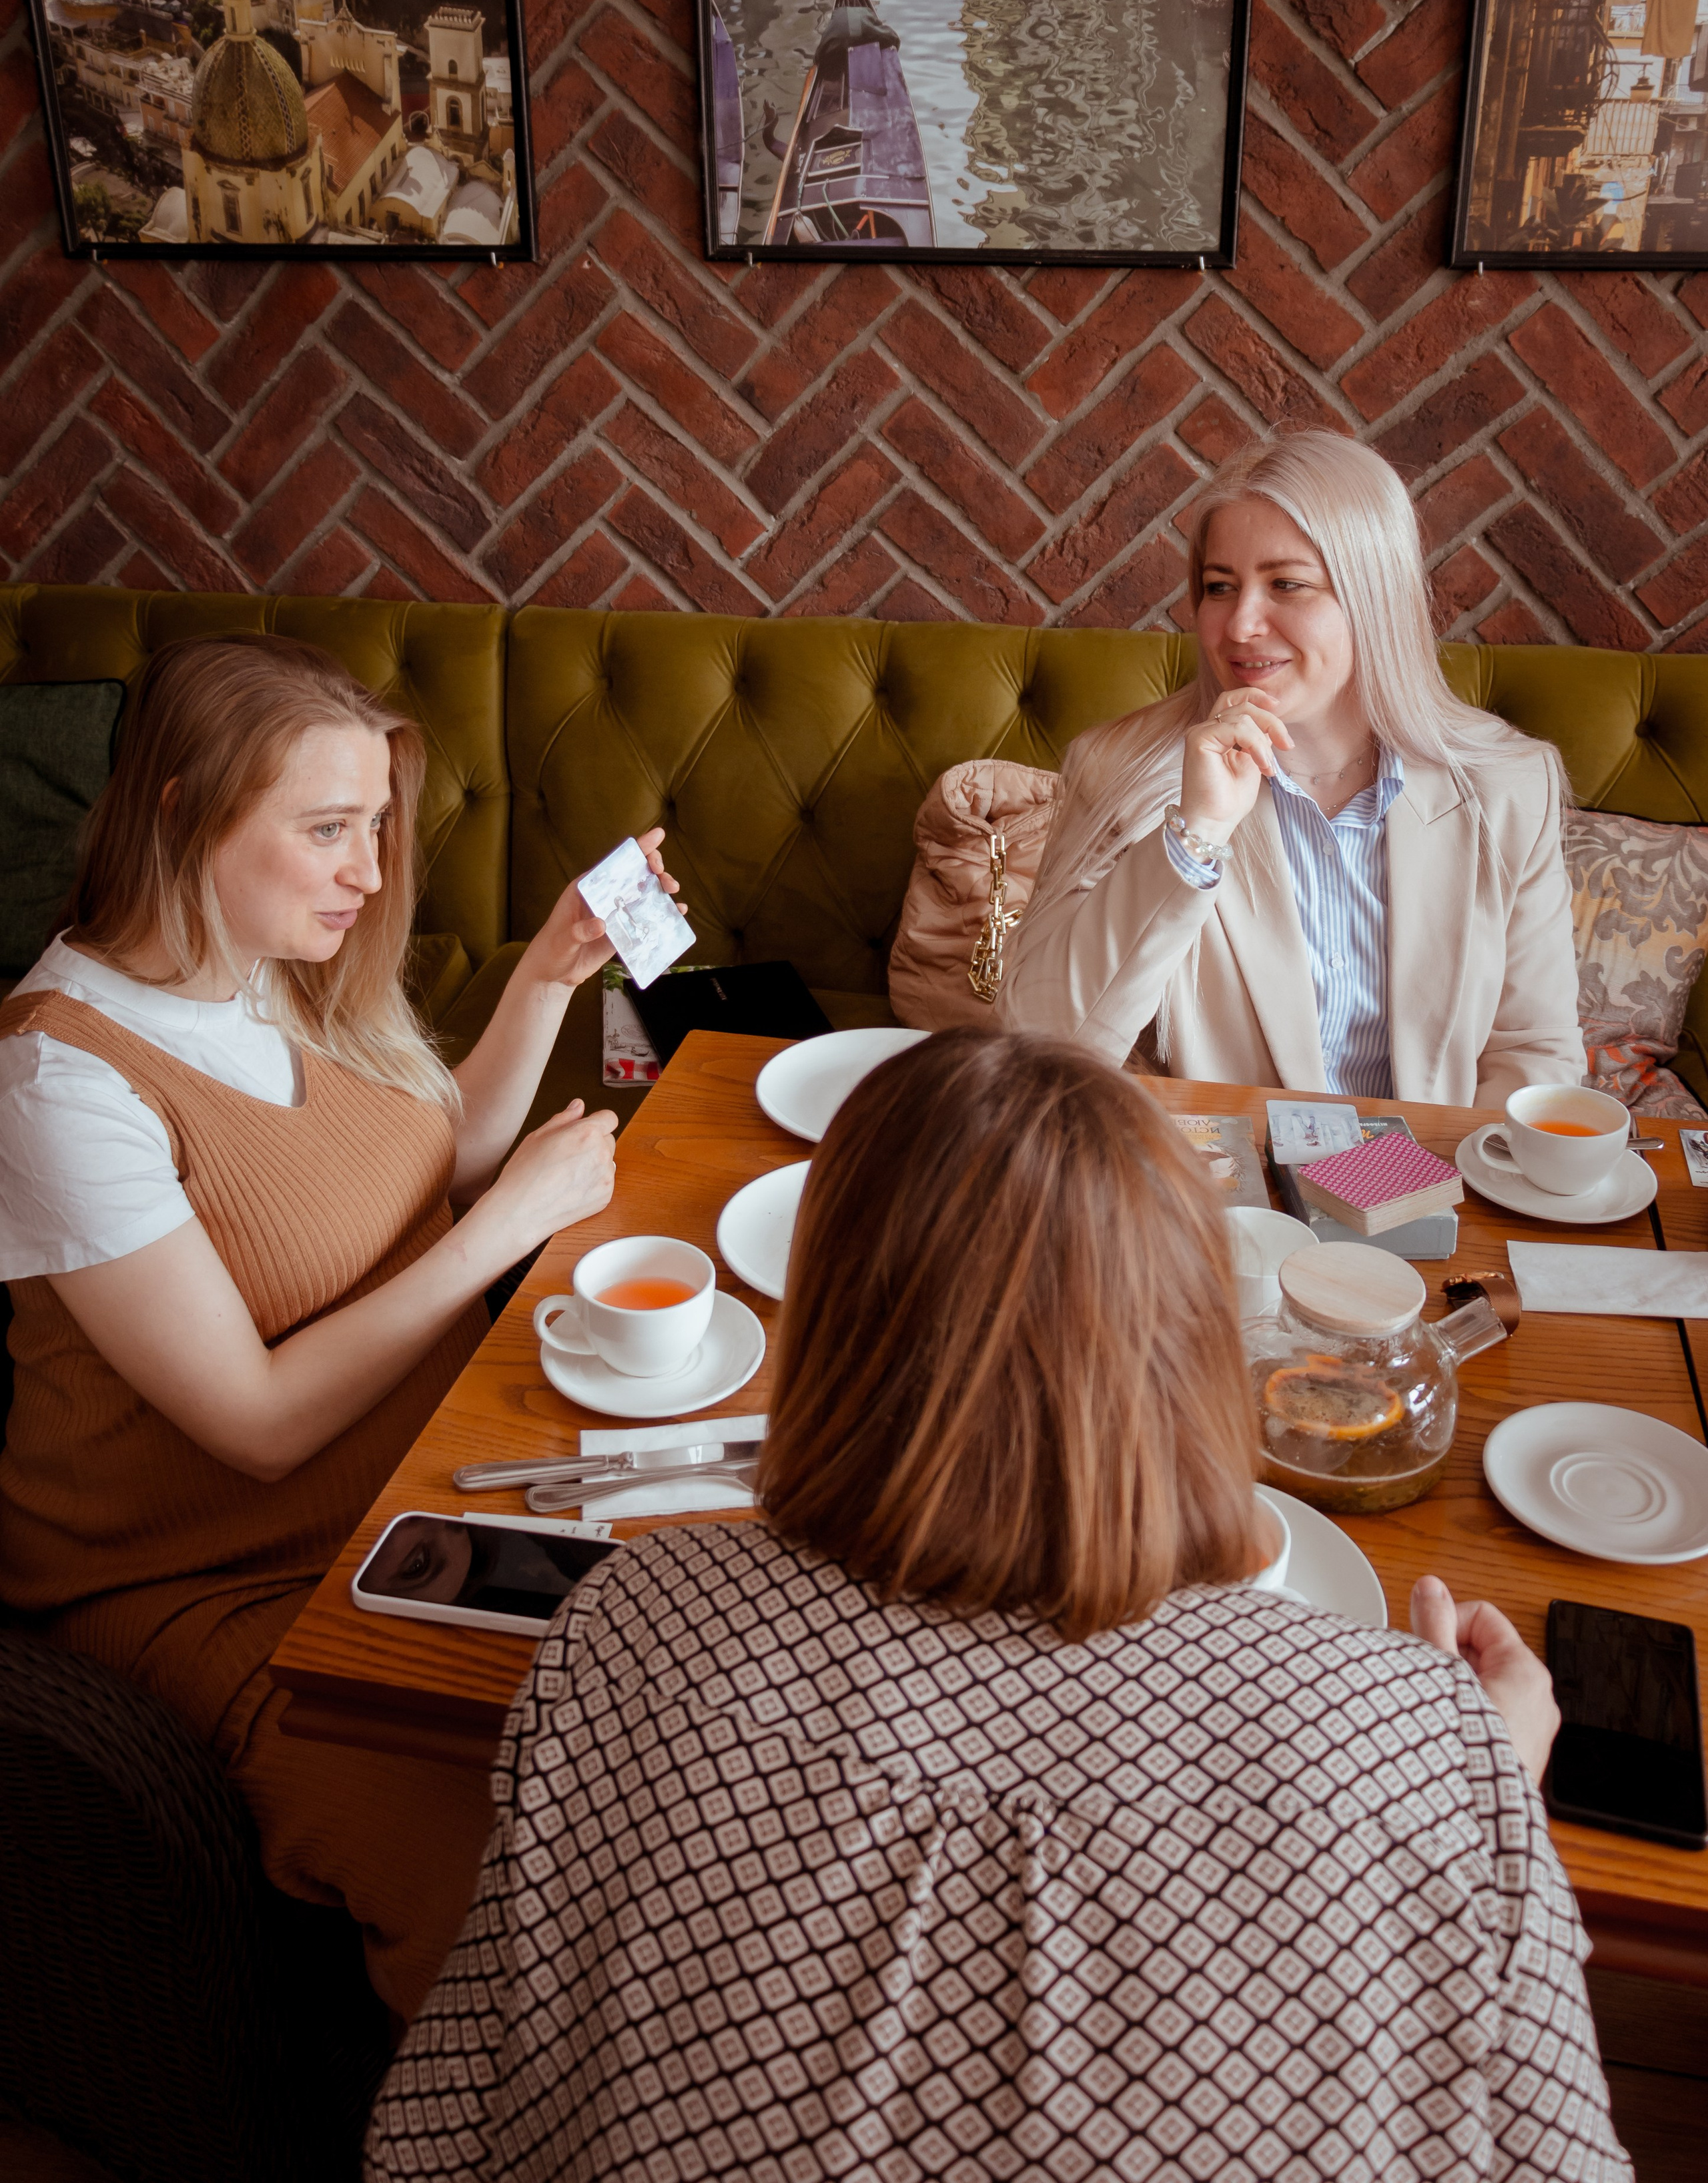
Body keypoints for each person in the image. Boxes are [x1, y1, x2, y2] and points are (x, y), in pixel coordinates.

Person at [367, 1031, 1627, 2182]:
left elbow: (461, 2114)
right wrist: (1481, 1785)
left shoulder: (638, 1615)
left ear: (829, 1327)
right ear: (1194, 1346)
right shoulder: (1418, 1732)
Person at [0, 632, 673, 2017]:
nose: (368, 875)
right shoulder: (59, 1079)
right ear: (182, 810)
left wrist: (550, 971)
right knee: (490, 1853)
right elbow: (255, 1427)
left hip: (417, 1498)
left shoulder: (271, 961)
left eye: (373, 825)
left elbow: (431, 1165)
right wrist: (499, 1234)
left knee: (665, 1714)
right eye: (327, 829)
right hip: (209, 1579)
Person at [1000, 430, 1586, 1107]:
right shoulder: (1118, 770)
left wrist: (1453, 1169)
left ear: (1374, 596)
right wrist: (1194, 837)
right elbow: (1037, 1048)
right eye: (1220, 587)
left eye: (1287, 584)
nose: (1240, 625)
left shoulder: (1509, 785)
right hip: (1216, 1169)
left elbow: (1532, 1051)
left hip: (1436, 1165)